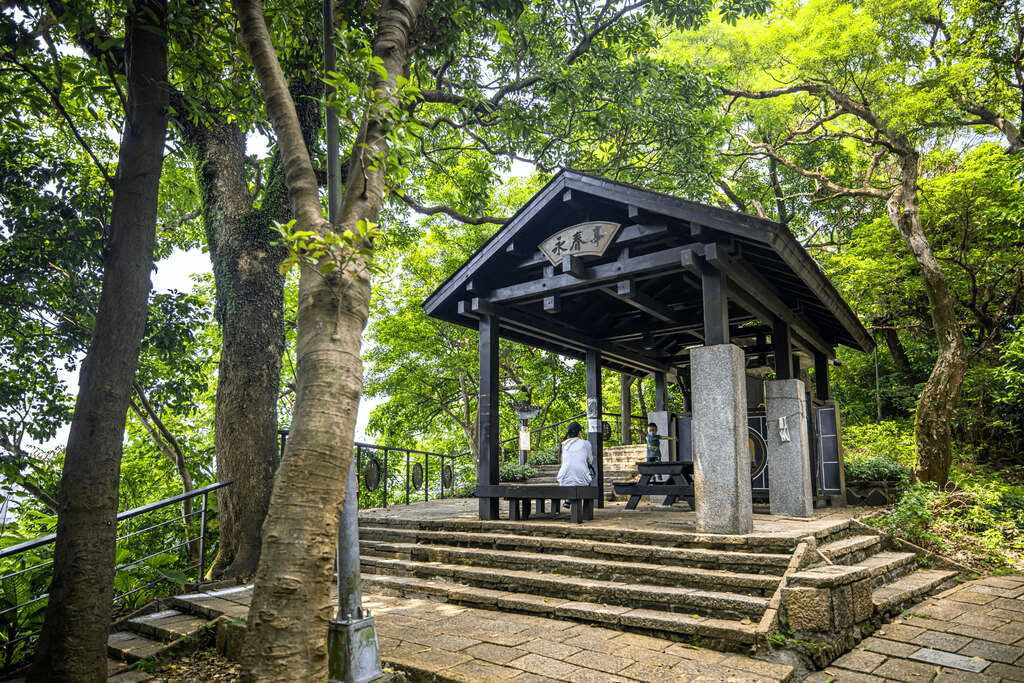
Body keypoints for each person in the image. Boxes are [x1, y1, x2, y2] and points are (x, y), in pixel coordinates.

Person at [556, 421, 594, 486]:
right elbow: (590, 461)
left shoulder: (564, 445)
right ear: (579, 433)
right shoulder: (586, 444)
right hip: (582, 480)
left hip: (564, 480)